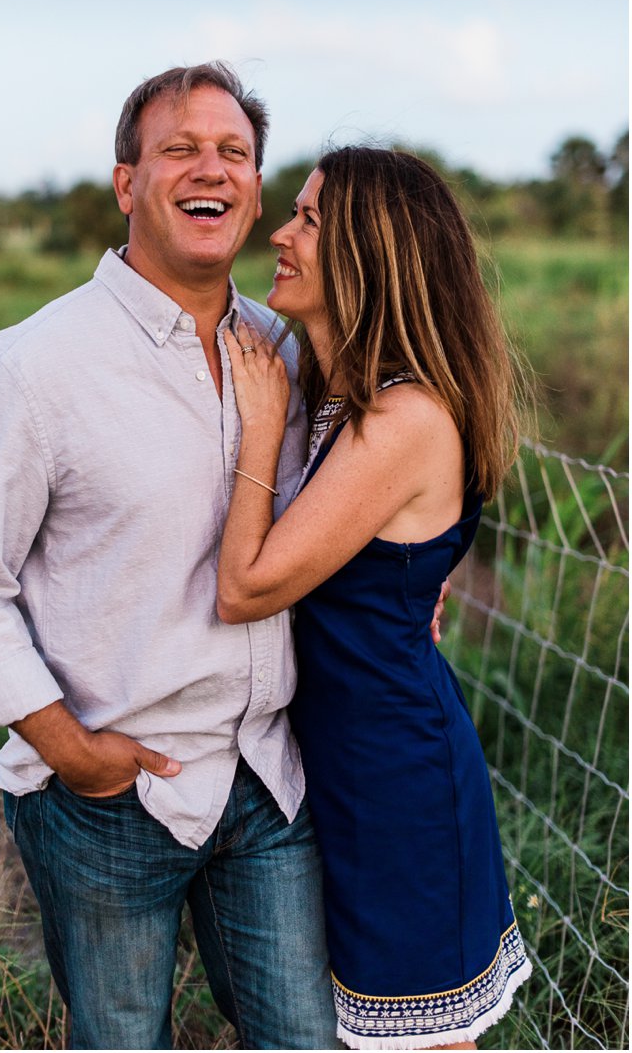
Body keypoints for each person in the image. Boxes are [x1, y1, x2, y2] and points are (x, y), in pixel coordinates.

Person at [0, 61, 344, 1050]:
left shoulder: (287, 349)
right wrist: (66, 745)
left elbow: (347, 507)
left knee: (302, 1038)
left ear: (256, 183)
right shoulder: (35, 364)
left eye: (233, 151)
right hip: (113, 786)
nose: (212, 168)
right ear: (126, 182)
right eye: (179, 148)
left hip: (269, 777)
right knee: (119, 1038)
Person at [216, 146, 533, 1050]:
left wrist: (259, 425)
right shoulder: (344, 395)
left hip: (398, 787)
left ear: (368, 251)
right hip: (337, 772)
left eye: (308, 219)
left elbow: (245, 588)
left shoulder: (405, 419)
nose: (279, 230)